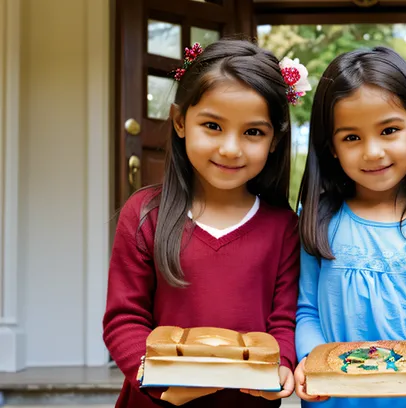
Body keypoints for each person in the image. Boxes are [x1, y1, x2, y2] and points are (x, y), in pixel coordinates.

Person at [103, 39, 310, 407]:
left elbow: (284, 321)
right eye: (212, 125)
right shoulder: (144, 214)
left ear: (275, 140)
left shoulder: (284, 228)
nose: (230, 148)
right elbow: (125, 319)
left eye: (253, 132)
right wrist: (160, 385)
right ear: (180, 121)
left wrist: (281, 366)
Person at [294, 46, 406, 408]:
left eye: (389, 130)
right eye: (351, 137)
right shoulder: (317, 217)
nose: (372, 151)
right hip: (330, 397)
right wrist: (307, 359)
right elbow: (307, 308)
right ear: (332, 147)